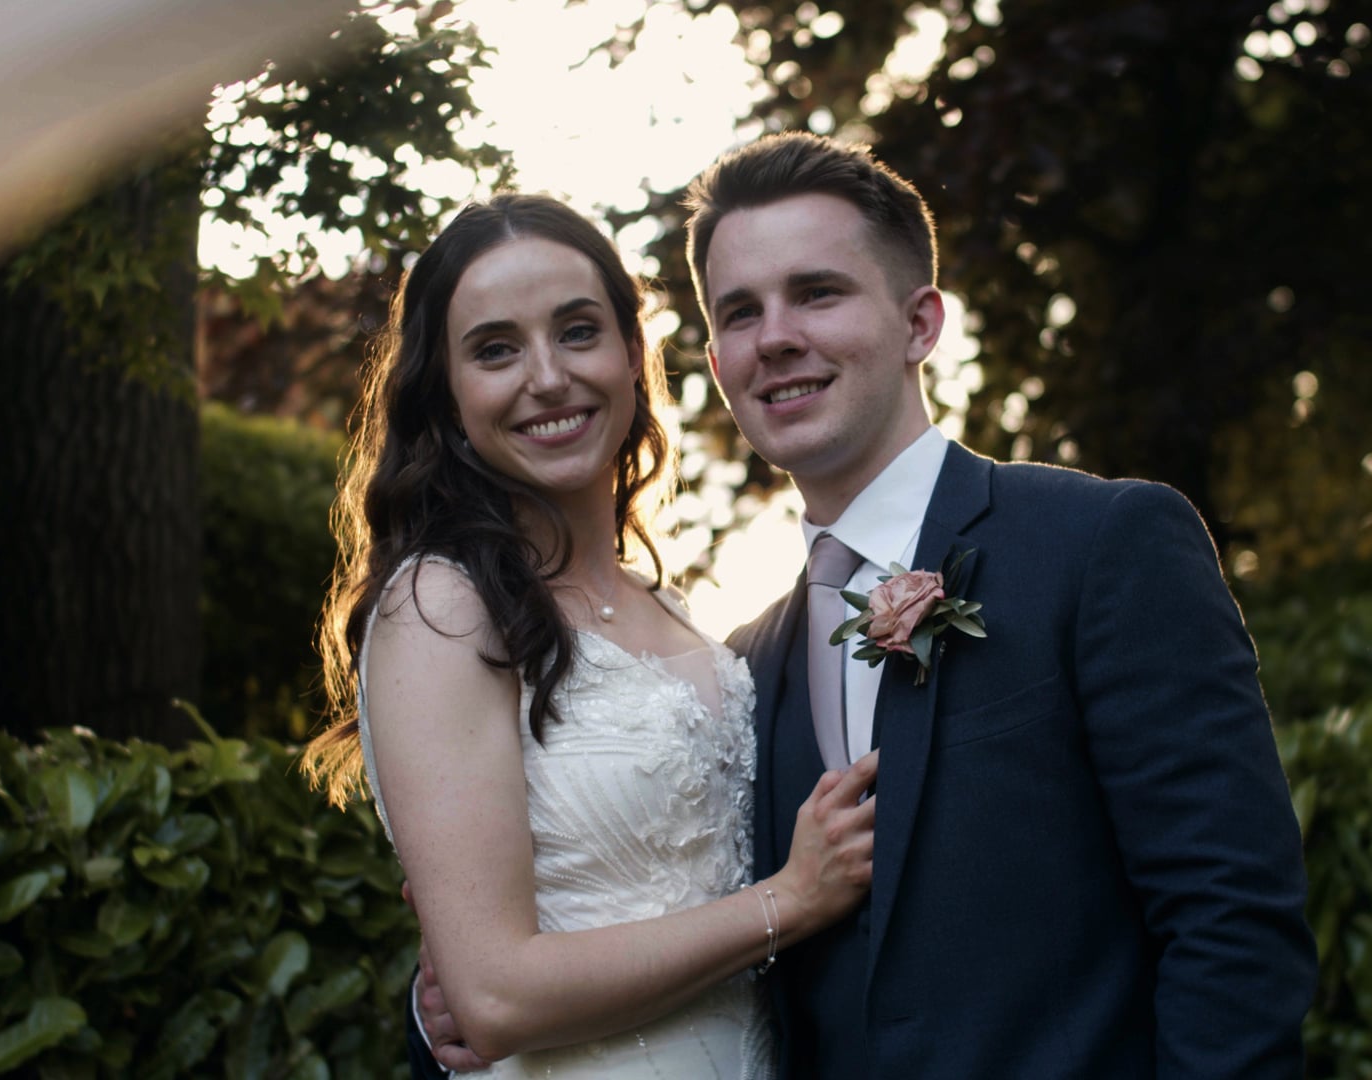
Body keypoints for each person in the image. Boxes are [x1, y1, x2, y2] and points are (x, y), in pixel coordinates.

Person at [417, 134, 1318, 1078]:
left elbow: (1233, 921)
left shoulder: (1099, 546)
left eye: (817, 293)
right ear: (717, 364)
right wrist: (447, 1005)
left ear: (920, 323)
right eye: (741, 312)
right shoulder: (740, 669)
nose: (775, 337)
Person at [301, 192, 880, 1079]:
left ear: (631, 353)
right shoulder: (442, 607)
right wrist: (790, 902)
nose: (547, 377)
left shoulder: (674, 611)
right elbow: (495, 997)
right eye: (495, 349)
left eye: (577, 332)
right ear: (446, 394)